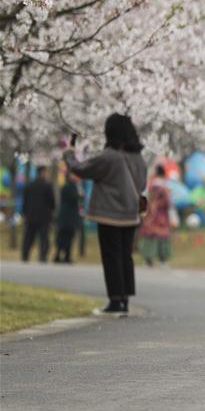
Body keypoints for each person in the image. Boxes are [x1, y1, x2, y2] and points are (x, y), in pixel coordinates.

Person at [64, 114, 147, 316]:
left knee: (111, 256)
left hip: (109, 214)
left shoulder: (109, 156)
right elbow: (142, 184)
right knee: (125, 256)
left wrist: (69, 153)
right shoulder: (138, 158)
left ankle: (114, 300)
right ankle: (125, 300)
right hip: (130, 214)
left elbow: (80, 169)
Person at [139, 165, 172, 267]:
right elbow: (168, 203)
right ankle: (163, 260)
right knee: (163, 238)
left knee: (149, 237)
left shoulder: (151, 185)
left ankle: (147, 260)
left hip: (151, 215)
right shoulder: (166, 187)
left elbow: (145, 199)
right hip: (162, 215)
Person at [21, 166, 55, 263]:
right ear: (42, 173)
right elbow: (52, 202)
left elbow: (25, 201)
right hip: (44, 217)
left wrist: (25, 213)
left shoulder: (29, 185)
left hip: (31, 216)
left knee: (29, 237)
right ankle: (43, 256)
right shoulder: (47, 186)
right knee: (44, 237)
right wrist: (51, 213)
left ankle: (25, 255)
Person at [54, 171, 81, 264]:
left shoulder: (66, 187)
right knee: (66, 237)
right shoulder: (70, 187)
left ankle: (61, 255)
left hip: (65, 218)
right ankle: (64, 256)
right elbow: (75, 198)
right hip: (69, 218)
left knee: (63, 237)